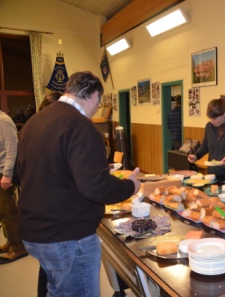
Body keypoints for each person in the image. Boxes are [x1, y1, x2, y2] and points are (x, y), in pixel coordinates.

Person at [17, 71, 141, 297]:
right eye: (99, 101)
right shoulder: (80, 126)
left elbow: (22, 174)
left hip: (34, 230)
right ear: (94, 96)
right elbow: (96, 186)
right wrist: (131, 186)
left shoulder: (34, 121)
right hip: (68, 238)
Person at [36, 91, 62, 297]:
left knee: (47, 271)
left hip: (41, 217)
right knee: (54, 274)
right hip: (52, 217)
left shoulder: (34, 131)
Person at [0, 109, 28, 264]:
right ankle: (10, 242)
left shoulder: (3, 121)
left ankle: (18, 247)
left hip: (3, 173)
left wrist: (7, 174)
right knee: (2, 212)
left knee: (9, 212)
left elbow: (12, 149)